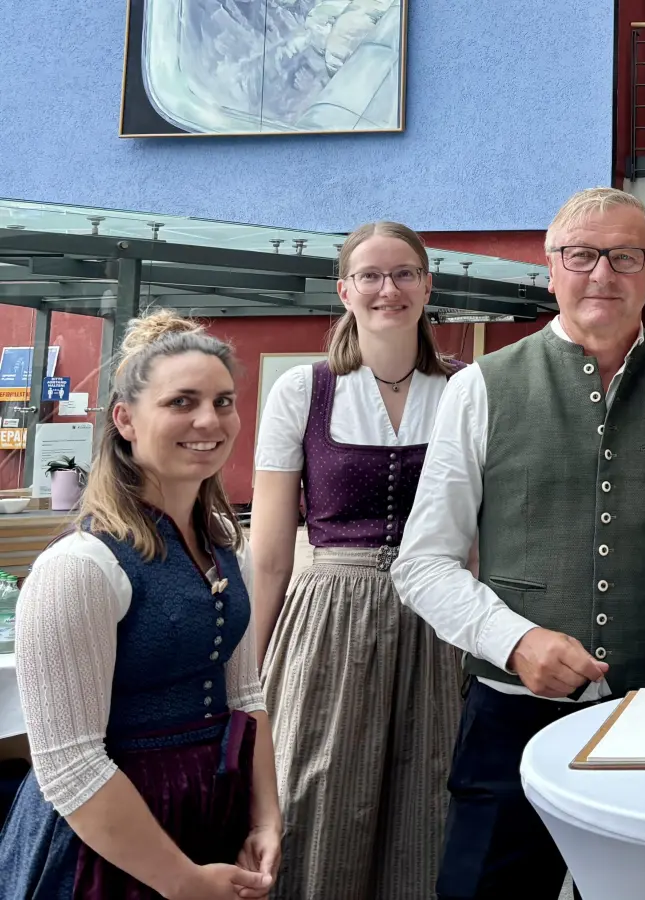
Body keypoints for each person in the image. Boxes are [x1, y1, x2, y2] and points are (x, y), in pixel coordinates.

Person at [391, 187, 645, 899]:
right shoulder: (482, 389)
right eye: (582, 255)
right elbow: (423, 562)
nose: (602, 274)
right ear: (550, 269)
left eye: (626, 257)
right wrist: (516, 641)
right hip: (507, 711)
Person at [0, 312, 281, 899]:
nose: (210, 420)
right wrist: (180, 881)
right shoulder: (79, 567)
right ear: (125, 420)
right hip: (108, 851)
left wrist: (265, 819)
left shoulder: (224, 546)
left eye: (223, 401)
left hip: (208, 818)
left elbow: (244, 698)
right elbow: (71, 766)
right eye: (182, 402)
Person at [250, 221, 461, 899]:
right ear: (344, 290)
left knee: (428, 798)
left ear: (427, 285)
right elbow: (273, 553)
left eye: (403, 273)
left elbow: (478, 533)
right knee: (315, 792)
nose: (387, 289)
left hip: (440, 614)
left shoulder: (467, 388)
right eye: (370, 275)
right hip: (331, 617)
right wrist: (249, 677)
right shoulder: (300, 392)